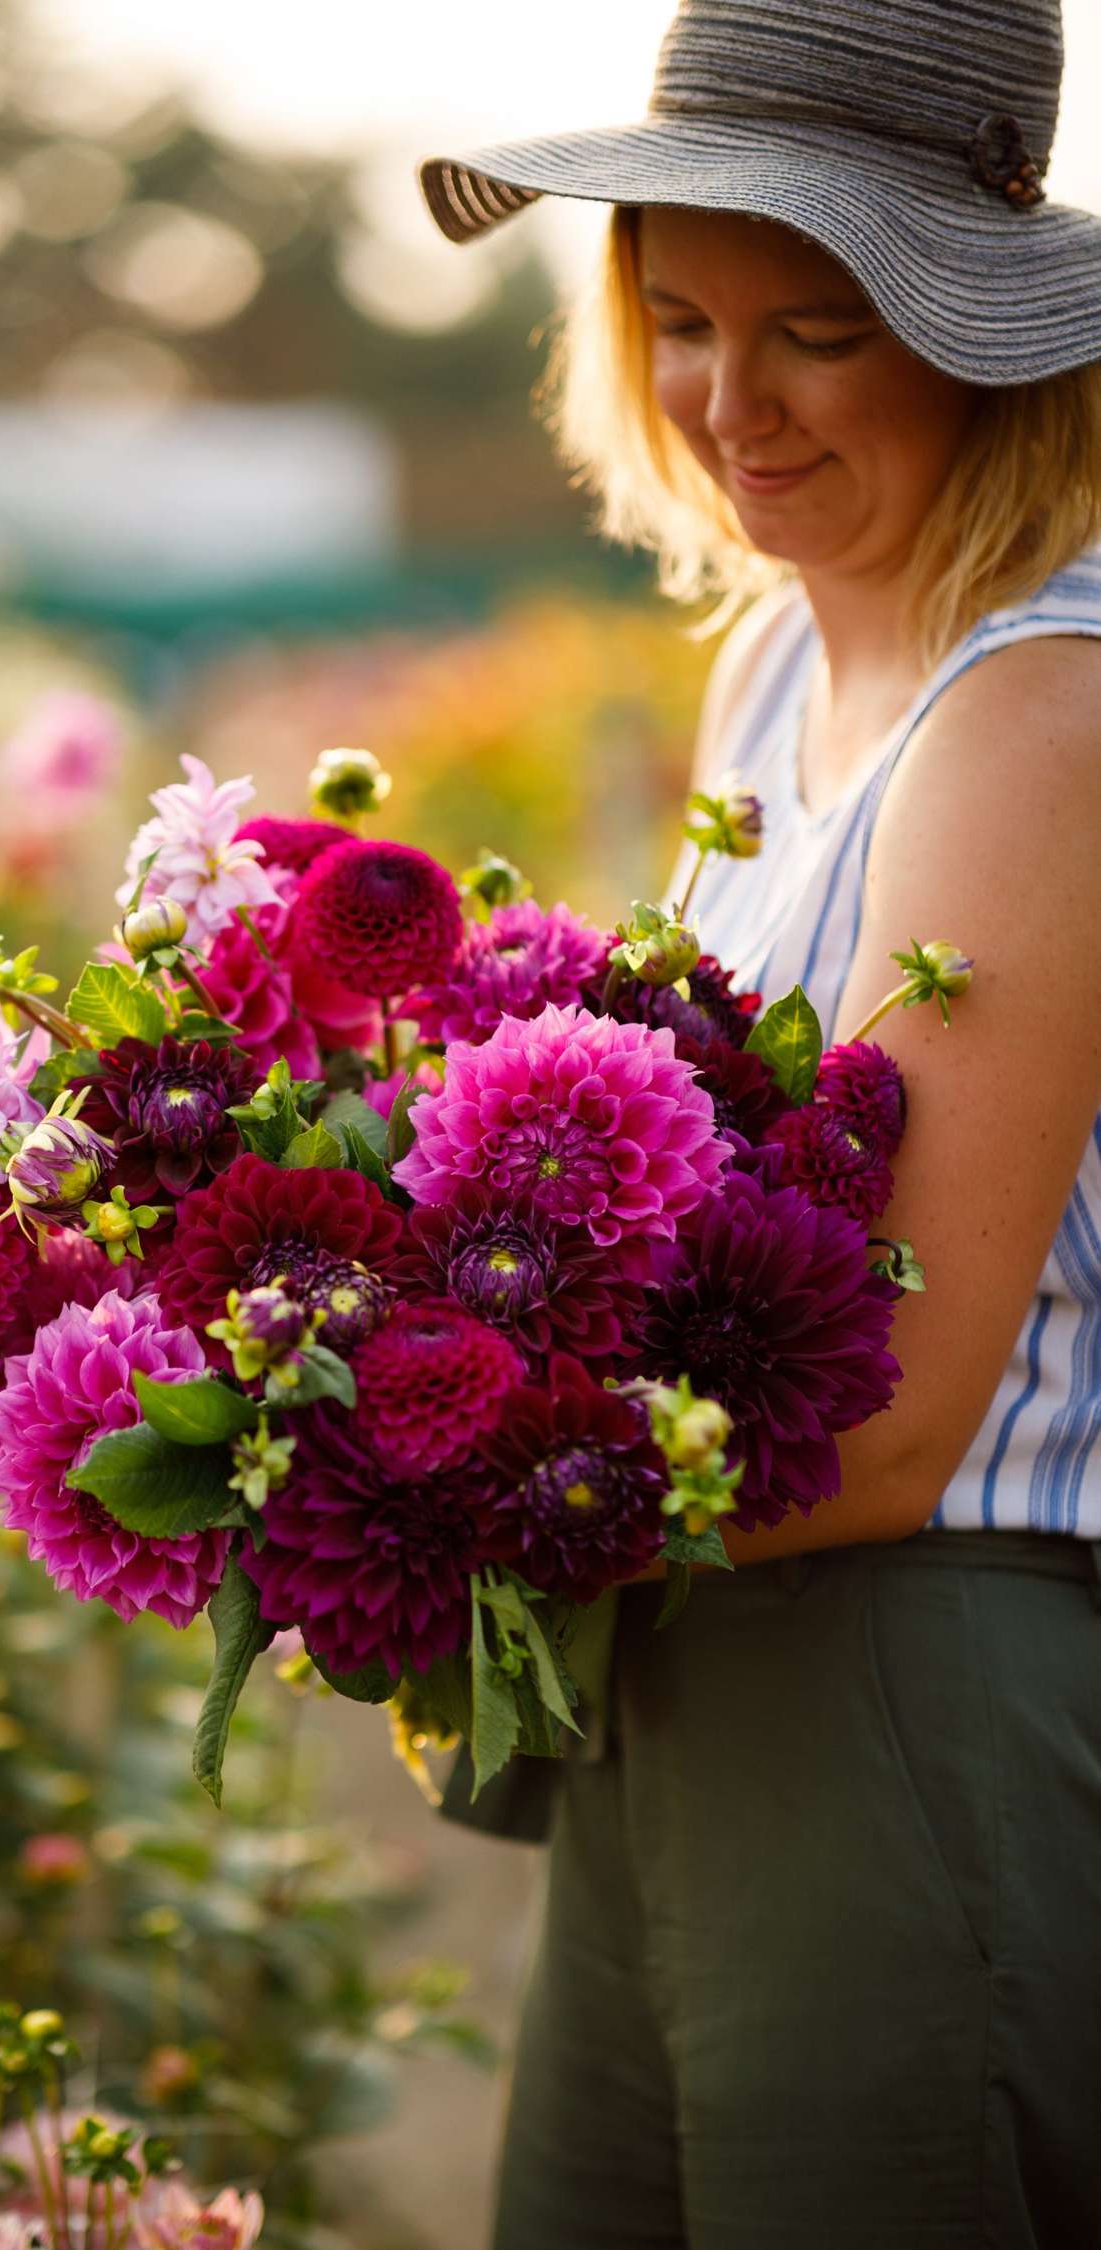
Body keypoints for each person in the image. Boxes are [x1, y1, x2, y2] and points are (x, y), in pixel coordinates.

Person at [417, 2, 1101, 2242]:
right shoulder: (781, 665)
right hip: (686, 1622)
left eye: (819, 327)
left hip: (922, 1667)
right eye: (684, 319)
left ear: (985, 339)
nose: (734, 403)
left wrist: (396, 1492)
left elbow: (895, 1416)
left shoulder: (1043, 719)